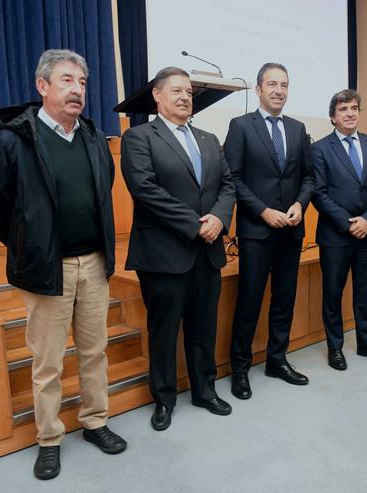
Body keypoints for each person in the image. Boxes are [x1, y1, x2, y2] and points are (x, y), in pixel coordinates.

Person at [0, 49, 126, 480]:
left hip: (94, 264)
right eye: (66, 80)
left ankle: (95, 420)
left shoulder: (96, 139)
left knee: (94, 350)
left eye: (81, 82)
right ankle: (49, 438)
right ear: (42, 86)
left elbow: (103, 193)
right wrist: (29, 244)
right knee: (47, 361)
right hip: (48, 269)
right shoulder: (13, 140)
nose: (77, 89)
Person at [120, 66, 236, 431]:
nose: (185, 97)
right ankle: (164, 399)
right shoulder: (139, 137)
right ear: (157, 95)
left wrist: (217, 219)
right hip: (163, 254)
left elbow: (228, 185)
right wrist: (195, 225)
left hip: (208, 250)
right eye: (176, 91)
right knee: (164, 330)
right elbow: (145, 189)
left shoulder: (208, 137)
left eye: (188, 92)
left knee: (204, 327)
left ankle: (204, 390)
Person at [225, 62, 315, 400]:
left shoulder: (297, 128)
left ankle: (277, 359)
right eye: (272, 84)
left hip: (291, 230)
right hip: (256, 232)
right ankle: (240, 369)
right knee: (249, 301)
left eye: (285, 85)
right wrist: (264, 211)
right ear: (259, 89)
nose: (279, 90)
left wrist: (300, 204)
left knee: (284, 300)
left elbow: (308, 176)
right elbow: (232, 179)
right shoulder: (240, 126)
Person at [311, 89, 367, 371]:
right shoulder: (320, 149)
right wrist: (348, 223)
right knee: (333, 294)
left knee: (365, 291)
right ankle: (335, 347)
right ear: (333, 116)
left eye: (354, 108)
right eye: (343, 109)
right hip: (336, 235)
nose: (350, 113)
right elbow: (319, 194)